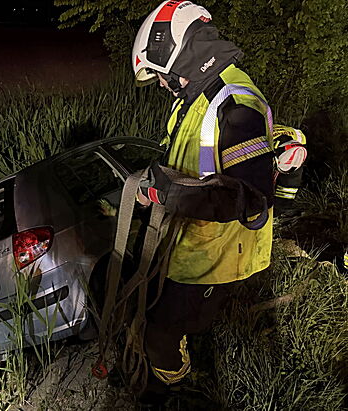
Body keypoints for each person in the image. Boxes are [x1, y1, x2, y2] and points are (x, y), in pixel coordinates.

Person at [129, 0, 275, 390]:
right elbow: (182, 159)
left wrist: (164, 195)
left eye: (161, 75)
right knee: (161, 316)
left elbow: (252, 199)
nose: (162, 85)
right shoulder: (195, 99)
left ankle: (178, 389)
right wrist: (154, 184)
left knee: (162, 332)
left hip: (216, 257)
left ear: (180, 55)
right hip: (188, 245)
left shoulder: (235, 105)